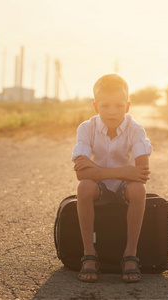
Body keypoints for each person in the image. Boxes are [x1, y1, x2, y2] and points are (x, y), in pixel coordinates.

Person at [71, 74, 152, 283]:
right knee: (84, 187)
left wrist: (97, 169)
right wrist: (124, 171)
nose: (112, 111)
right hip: (98, 187)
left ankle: (129, 255)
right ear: (96, 107)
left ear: (127, 106)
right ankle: (90, 254)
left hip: (124, 187)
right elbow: (82, 173)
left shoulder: (136, 129)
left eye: (118, 105)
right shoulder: (86, 128)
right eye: (105, 106)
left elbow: (142, 173)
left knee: (138, 190)